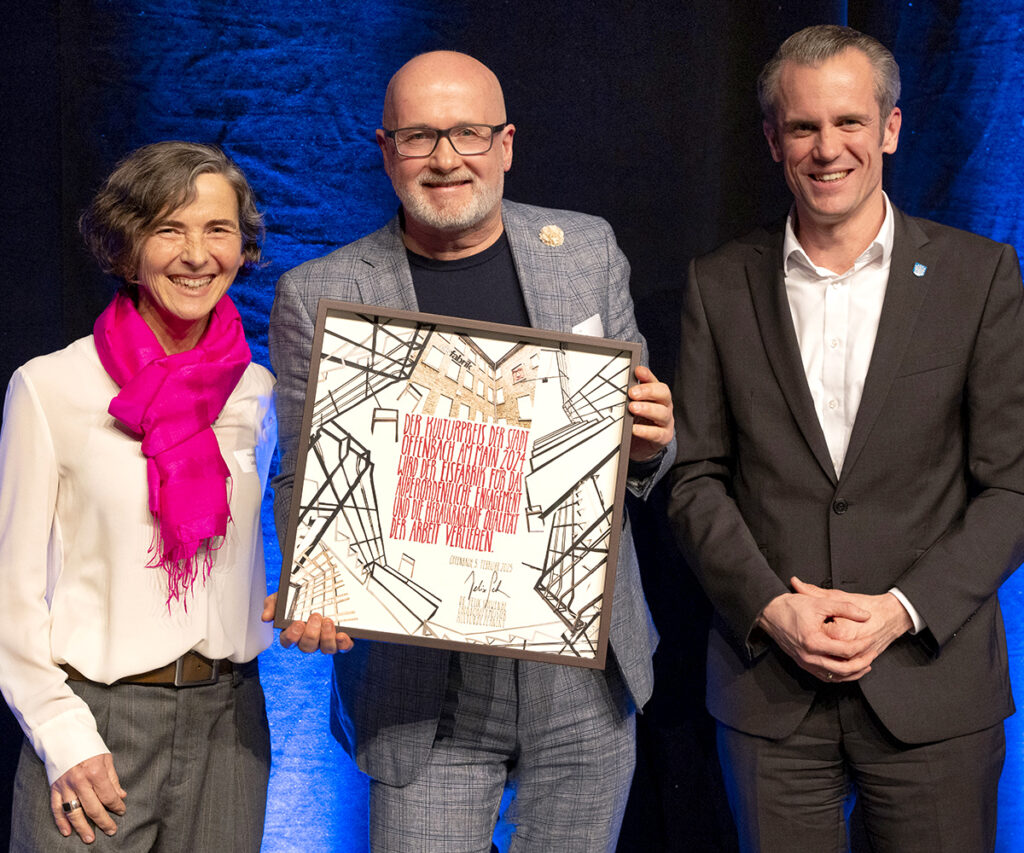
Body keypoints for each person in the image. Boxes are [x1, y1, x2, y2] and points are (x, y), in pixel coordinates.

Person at [264, 51, 674, 852]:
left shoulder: (585, 252)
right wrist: (314, 576)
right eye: (420, 137)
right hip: (425, 689)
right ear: (385, 150)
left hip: (580, 671)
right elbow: (302, 467)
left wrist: (655, 440)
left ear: (507, 144)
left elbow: (636, 441)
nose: (446, 158)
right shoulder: (319, 291)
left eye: (468, 134)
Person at [667, 24, 1024, 852]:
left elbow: (1012, 485)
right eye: (803, 127)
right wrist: (770, 607)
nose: (828, 148)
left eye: (850, 123)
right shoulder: (718, 286)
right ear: (772, 141)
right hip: (770, 695)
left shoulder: (980, 278)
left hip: (935, 693)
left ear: (890, 129)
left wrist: (904, 611)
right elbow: (694, 478)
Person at [0, 141, 276, 851]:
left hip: (230, 723)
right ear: (126, 247)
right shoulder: (51, 387)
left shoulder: (259, 392)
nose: (196, 254)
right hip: (98, 720)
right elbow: (11, 593)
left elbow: (259, 552)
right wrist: (63, 735)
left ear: (243, 247)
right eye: (168, 229)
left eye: (218, 230)